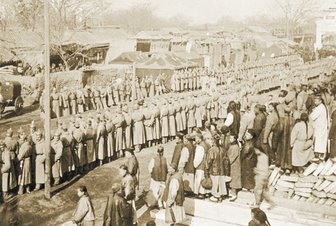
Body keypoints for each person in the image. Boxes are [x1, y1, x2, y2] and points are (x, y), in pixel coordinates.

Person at [310, 94, 328, 160]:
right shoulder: (321, 107)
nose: (315, 102)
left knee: (318, 142)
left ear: (320, 101)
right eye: (314, 101)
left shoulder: (320, 107)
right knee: (320, 141)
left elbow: (312, 116)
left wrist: (312, 111)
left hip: (319, 127)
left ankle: (318, 156)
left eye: (316, 101)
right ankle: (320, 155)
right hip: (321, 127)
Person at [193, 133, 210, 199]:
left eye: (197, 138)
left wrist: (195, 164)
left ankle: (201, 193)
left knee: (200, 179)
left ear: (200, 139)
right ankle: (206, 193)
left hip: (201, 165)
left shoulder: (200, 147)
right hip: (206, 164)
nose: (196, 140)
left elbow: (198, 158)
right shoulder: (206, 144)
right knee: (204, 178)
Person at [227, 134, 241, 201]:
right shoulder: (232, 146)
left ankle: (234, 194)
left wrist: (227, 163)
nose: (230, 139)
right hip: (232, 166)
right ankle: (232, 193)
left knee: (234, 181)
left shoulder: (235, 147)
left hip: (234, 166)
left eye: (231, 138)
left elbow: (232, 157)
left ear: (235, 139)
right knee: (232, 180)